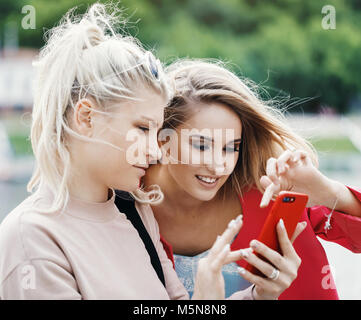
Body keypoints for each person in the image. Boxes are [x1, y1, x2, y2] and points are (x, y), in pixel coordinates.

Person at [0, 4, 256, 300]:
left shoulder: (135, 211)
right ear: (86, 118)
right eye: (142, 129)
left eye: (158, 132)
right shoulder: (32, 239)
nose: (155, 149)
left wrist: (258, 295)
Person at [141, 59, 361, 300]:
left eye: (230, 147)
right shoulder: (124, 197)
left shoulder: (267, 189)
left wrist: (329, 193)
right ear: (163, 138)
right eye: (201, 145)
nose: (217, 166)